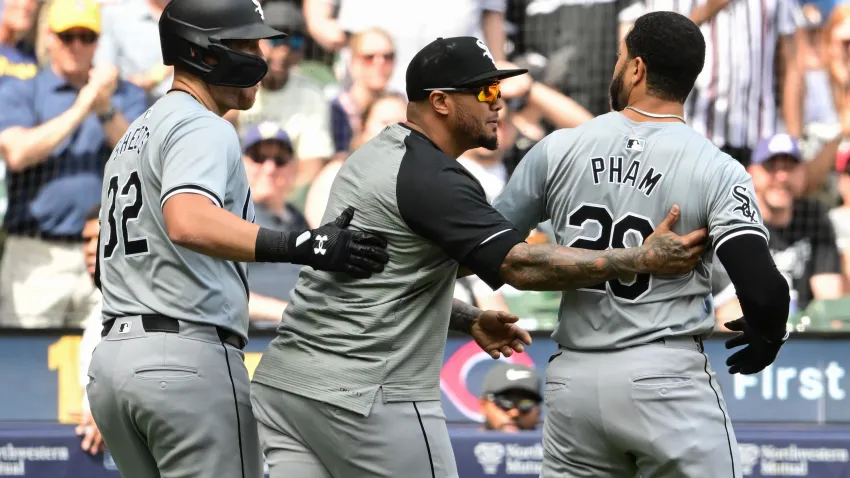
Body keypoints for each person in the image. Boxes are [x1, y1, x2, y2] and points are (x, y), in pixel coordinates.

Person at [250, 35, 707, 478]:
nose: (498, 103)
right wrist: (639, 260)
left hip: (288, 387)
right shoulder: (432, 176)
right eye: (486, 90)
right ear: (441, 102)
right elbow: (520, 266)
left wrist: (468, 318)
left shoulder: (374, 157)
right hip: (367, 396)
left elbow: (384, 281)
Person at [84, 1, 390, 477]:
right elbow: (187, 220)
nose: (260, 56)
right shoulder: (203, 124)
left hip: (116, 364)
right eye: (244, 44)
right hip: (185, 359)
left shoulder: (136, 133)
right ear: (201, 53)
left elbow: (108, 265)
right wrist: (301, 245)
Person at [492, 12, 791, 477]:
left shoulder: (558, 148)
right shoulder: (716, 167)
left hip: (574, 383)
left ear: (637, 69)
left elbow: (486, 248)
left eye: (620, 57)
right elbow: (765, 290)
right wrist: (767, 335)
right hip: (665, 378)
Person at [0, 0, 148, 329]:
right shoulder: (23, 89)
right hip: (37, 253)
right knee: (25, 364)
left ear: (98, 41)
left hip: (108, 254)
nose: (77, 46)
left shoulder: (125, 95)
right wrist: (84, 104)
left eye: (86, 36)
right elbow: (17, 153)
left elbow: (145, 159)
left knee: (107, 366)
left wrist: (105, 107)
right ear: (50, 37)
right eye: (68, 36)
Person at [76, 203, 105, 456]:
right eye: (86, 240)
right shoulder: (97, 314)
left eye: (99, 239)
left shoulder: (151, 306)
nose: (90, 250)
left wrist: (108, 415)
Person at [479, 363, 542, 432]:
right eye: (505, 402)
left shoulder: (552, 442)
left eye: (525, 404)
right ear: (484, 405)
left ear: (538, 411)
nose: (514, 413)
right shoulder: (465, 442)